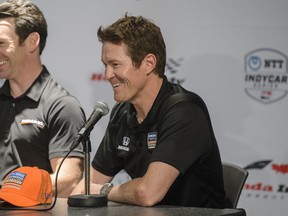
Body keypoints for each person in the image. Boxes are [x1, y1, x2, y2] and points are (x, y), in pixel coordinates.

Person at [72, 13, 231, 208]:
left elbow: (148, 193)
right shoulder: (122, 112)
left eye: (115, 65)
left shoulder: (185, 110)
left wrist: (105, 191)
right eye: (105, 65)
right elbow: (88, 185)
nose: (107, 75)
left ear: (148, 63)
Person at [0, 0, 85, 197]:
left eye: (2, 43)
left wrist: (10, 192)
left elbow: (68, 180)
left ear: (32, 42)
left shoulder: (62, 106)